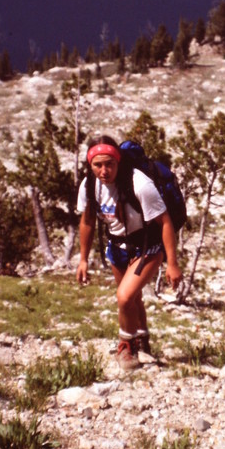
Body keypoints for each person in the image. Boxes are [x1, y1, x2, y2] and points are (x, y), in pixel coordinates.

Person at [76, 135, 183, 370]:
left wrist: (172, 263)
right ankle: (142, 341)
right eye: (98, 164)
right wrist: (83, 259)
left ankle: (126, 345)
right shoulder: (89, 185)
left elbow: (165, 222)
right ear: (90, 164)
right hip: (117, 247)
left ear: (118, 161)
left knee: (124, 297)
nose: (104, 171)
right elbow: (87, 221)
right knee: (133, 298)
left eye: (109, 164)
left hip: (147, 246)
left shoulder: (139, 183)